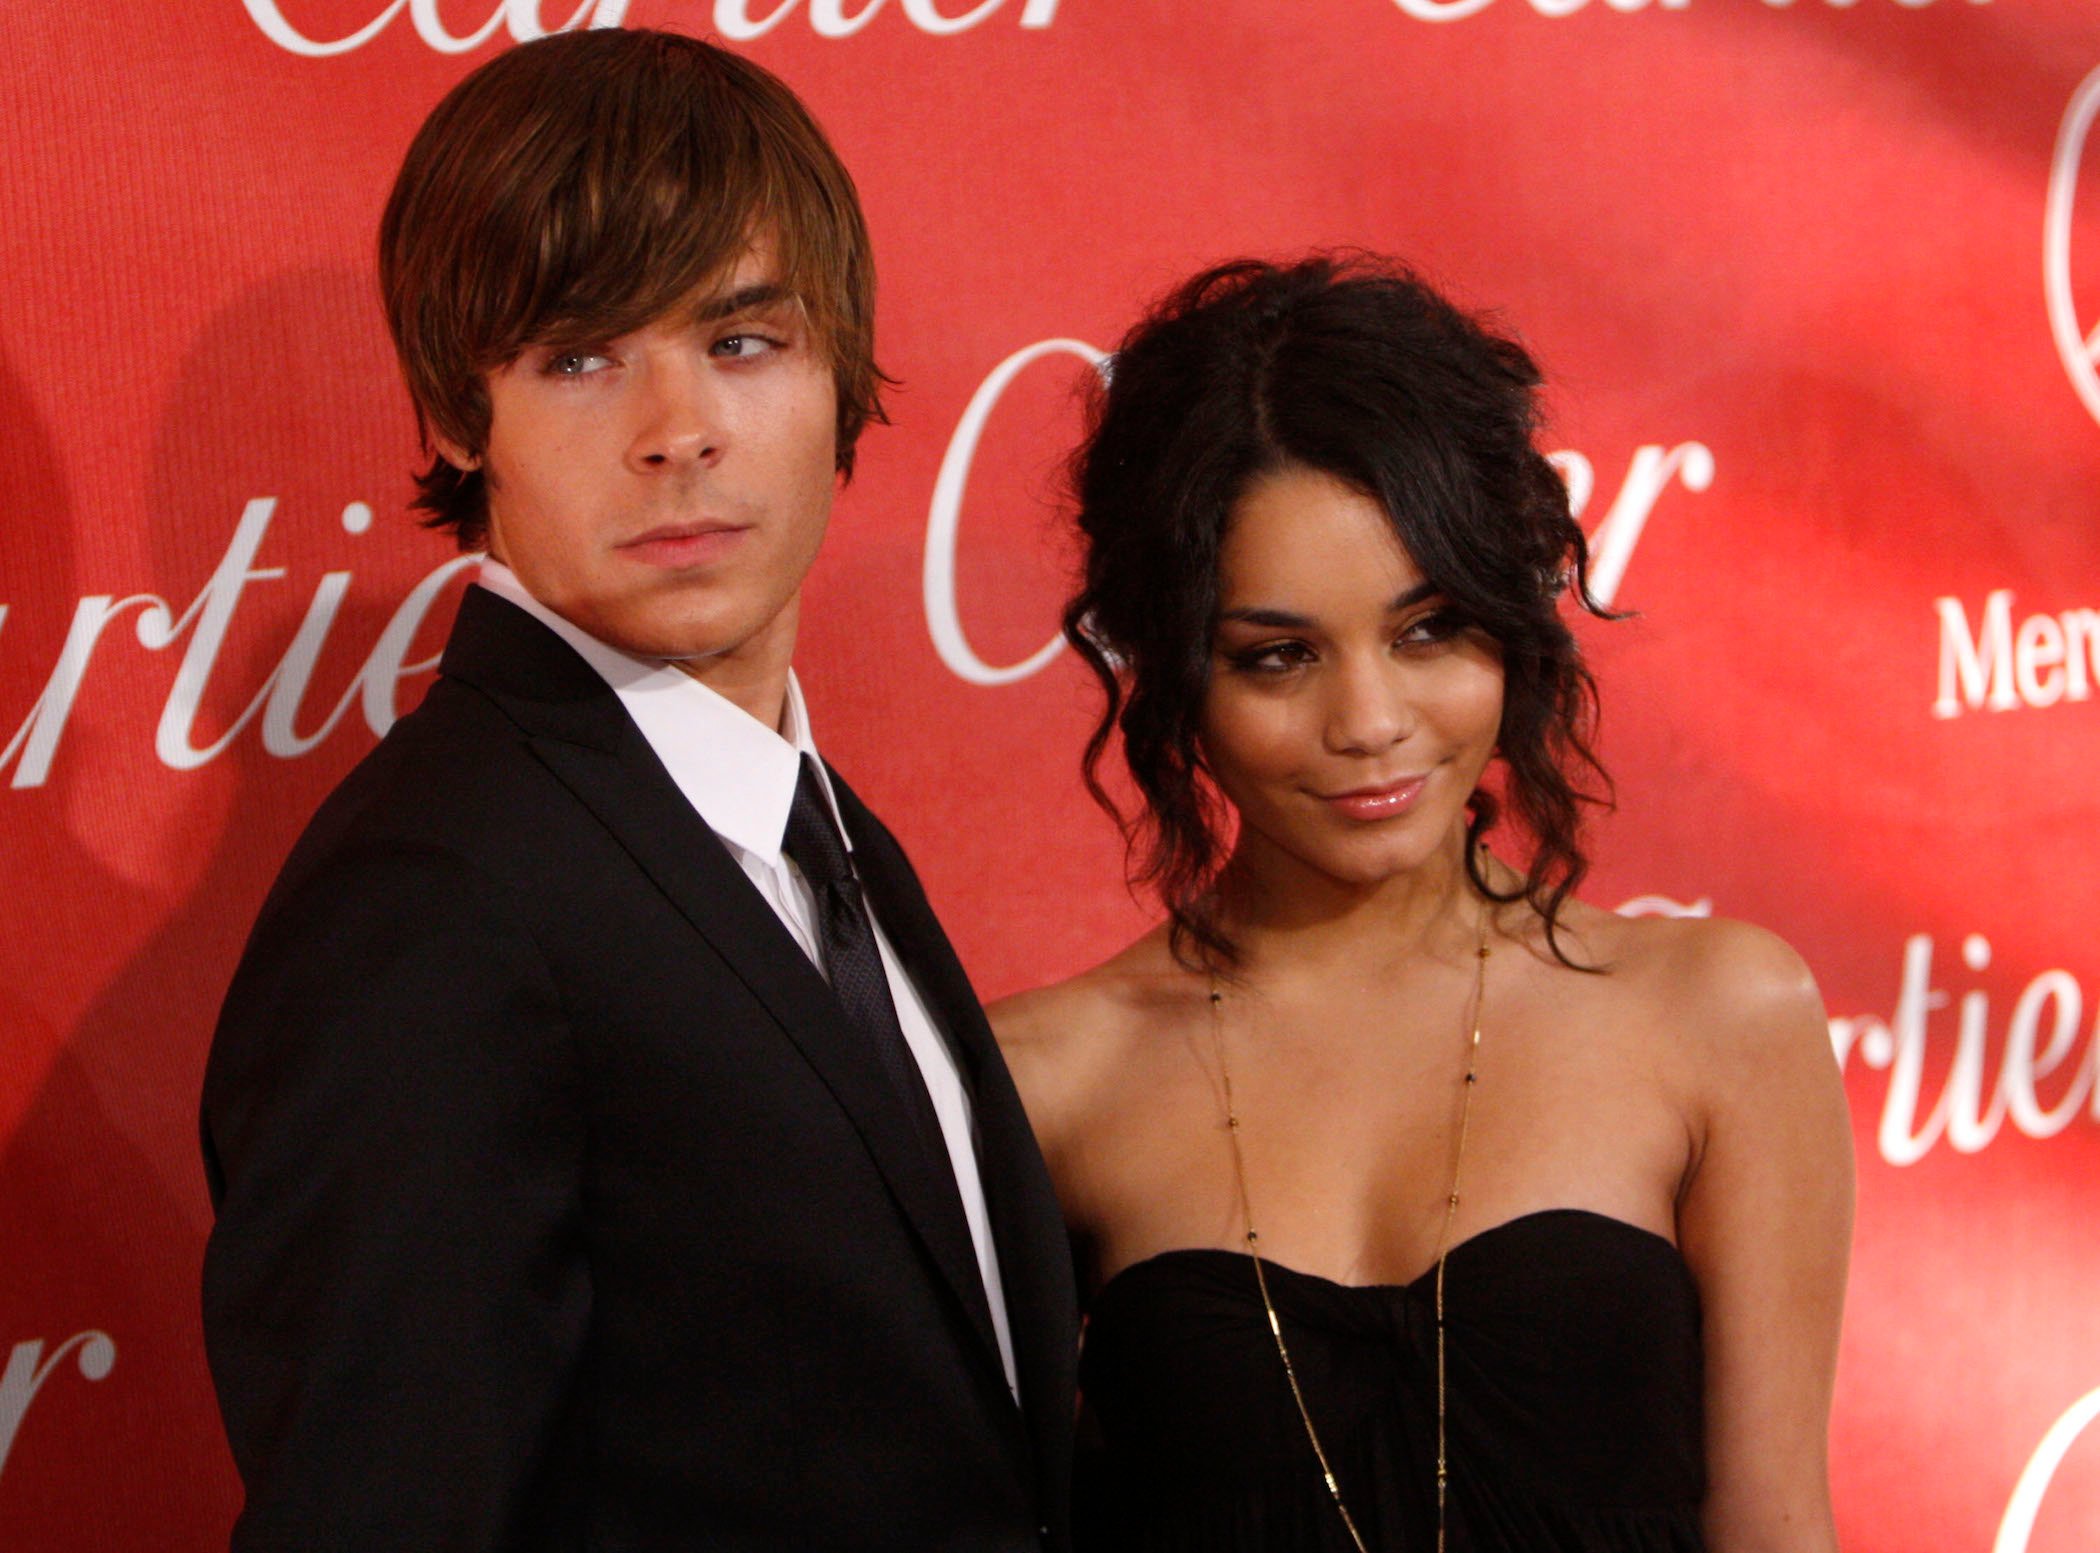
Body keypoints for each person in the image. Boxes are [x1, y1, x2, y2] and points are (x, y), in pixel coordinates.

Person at [199, 30, 1075, 1552]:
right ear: (460, 415)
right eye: (582, 355)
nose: (678, 427)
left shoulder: (818, 833)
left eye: (743, 341)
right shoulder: (430, 900)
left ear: (841, 378)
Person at [991, 256, 1852, 1552]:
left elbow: (1777, 1528)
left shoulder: (1721, 1017)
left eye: (1429, 629)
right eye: (1277, 656)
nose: (1371, 722)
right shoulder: (1046, 1081)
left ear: (1515, 621)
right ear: (1171, 672)